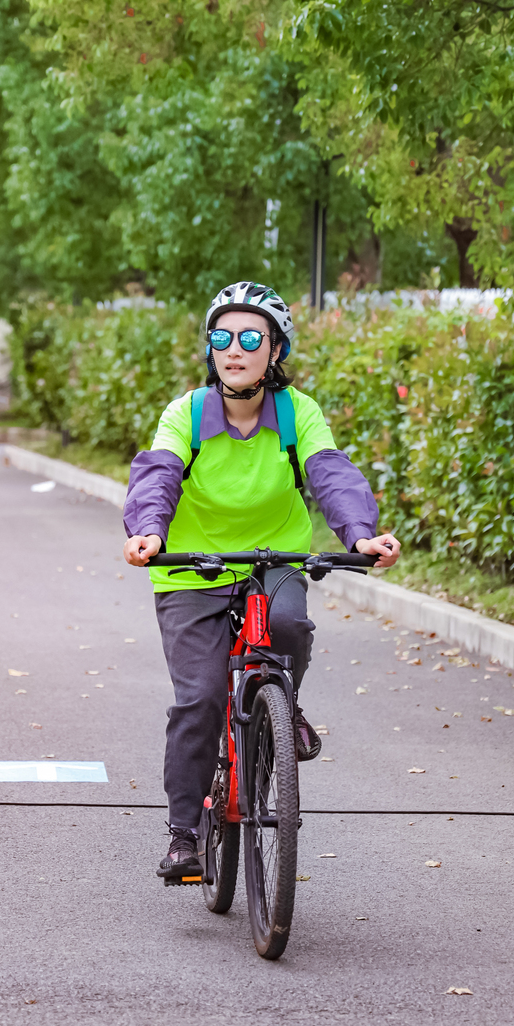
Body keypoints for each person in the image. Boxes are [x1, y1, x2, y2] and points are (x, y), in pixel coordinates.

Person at [122, 281, 401, 882]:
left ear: (276, 350)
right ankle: (184, 835)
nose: (235, 349)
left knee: (288, 622)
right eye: (222, 337)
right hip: (191, 567)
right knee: (200, 698)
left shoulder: (299, 413)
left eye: (251, 339)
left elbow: (331, 474)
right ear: (210, 348)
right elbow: (158, 475)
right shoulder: (186, 413)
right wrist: (148, 531)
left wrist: (359, 535)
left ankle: (281, 705)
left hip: (273, 558)